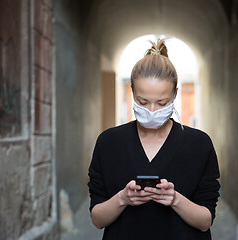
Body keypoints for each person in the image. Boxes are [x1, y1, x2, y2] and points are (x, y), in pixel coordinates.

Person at [88, 39, 220, 240]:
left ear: (175, 94)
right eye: (143, 101)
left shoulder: (199, 144)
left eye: (161, 102)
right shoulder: (109, 143)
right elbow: (97, 219)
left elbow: (205, 222)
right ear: (132, 92)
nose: (151, 111)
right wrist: (123, 198)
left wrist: (175, 199)